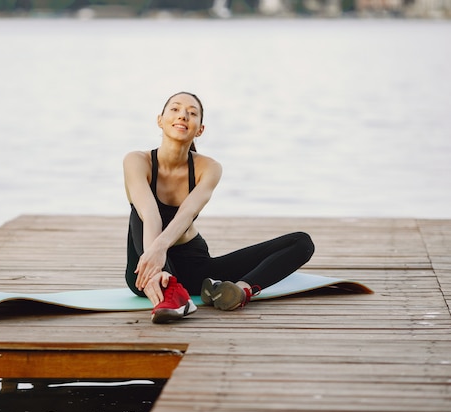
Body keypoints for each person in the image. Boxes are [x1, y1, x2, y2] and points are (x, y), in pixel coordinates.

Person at [123, 92, 315, 324]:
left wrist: (161, 248)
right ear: (160, 120)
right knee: (139, 211)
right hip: (144, 270)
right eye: (175, 109)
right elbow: (150, 214)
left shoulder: (209, 167)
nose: (183, 115)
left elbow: (187, 213)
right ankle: (171, 290)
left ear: (200, 129)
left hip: (194, 268)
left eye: (192, 113)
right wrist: (155, 259)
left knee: (301, 243)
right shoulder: (136, 160)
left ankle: (239, 291)